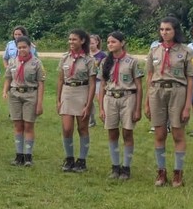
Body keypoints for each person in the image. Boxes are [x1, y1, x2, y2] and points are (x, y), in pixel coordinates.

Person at [145, 16, 193, 187]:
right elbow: (150, 76)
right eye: (161, 29)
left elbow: (191, 79)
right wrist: (147, 101)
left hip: (177, 92)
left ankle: (178, 173)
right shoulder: (154, 50)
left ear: (175, 30)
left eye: (168, 29)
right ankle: (161, 172)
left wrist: (187, 106)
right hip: (157, 92)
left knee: (177, 134)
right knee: (159, 134)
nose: (164, 32)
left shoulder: (186, 51)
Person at [97, 32, 143, 180]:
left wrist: (137, 108)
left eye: (114, 42)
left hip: (128, 97)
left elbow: (139, 86)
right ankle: (115, 166)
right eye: (108, 42)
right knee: (112, 133)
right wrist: (101, 108)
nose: (110, 44)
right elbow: (102, 84)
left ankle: (126, 167)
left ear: (122, 43)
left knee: (127, 133)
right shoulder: (105, 61)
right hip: (110, 98)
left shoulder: (132, 61)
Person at [56, 29, 97, 173]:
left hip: (82, 92)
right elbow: (60, 79)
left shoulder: (89, 60)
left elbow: (92, 83)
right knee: (67, 129)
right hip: (67, 93)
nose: (71, 42)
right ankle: (69, 158)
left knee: (82, 128)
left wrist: (89, 103)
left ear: (82, 41)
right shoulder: (64, 58)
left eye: (74, 39)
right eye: (70, 39)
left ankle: (82, 160)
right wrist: (58, 99)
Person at [2, 35, 45, 167]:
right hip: (15, 94)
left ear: (30, 47)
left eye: (24, 47)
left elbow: (41, 83)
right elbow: (8, 78)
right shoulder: (12, 62)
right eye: (19, 47)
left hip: (30, 95)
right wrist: (5, 91)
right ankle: (18, 155)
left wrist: (39, 103)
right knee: (17, 125)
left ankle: (28, 155)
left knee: (28, 125)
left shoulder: (36, 63)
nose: (22, 50)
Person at [88, 34, 107, 127]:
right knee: (88, 101)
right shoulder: (86, 54)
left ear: (97, 43)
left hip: (98, 80)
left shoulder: (102, 55)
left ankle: (105, 120)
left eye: (92, 43)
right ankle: (91, 120)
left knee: (100, 99)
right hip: (88, 80)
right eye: (89, 43)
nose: (90, 45)